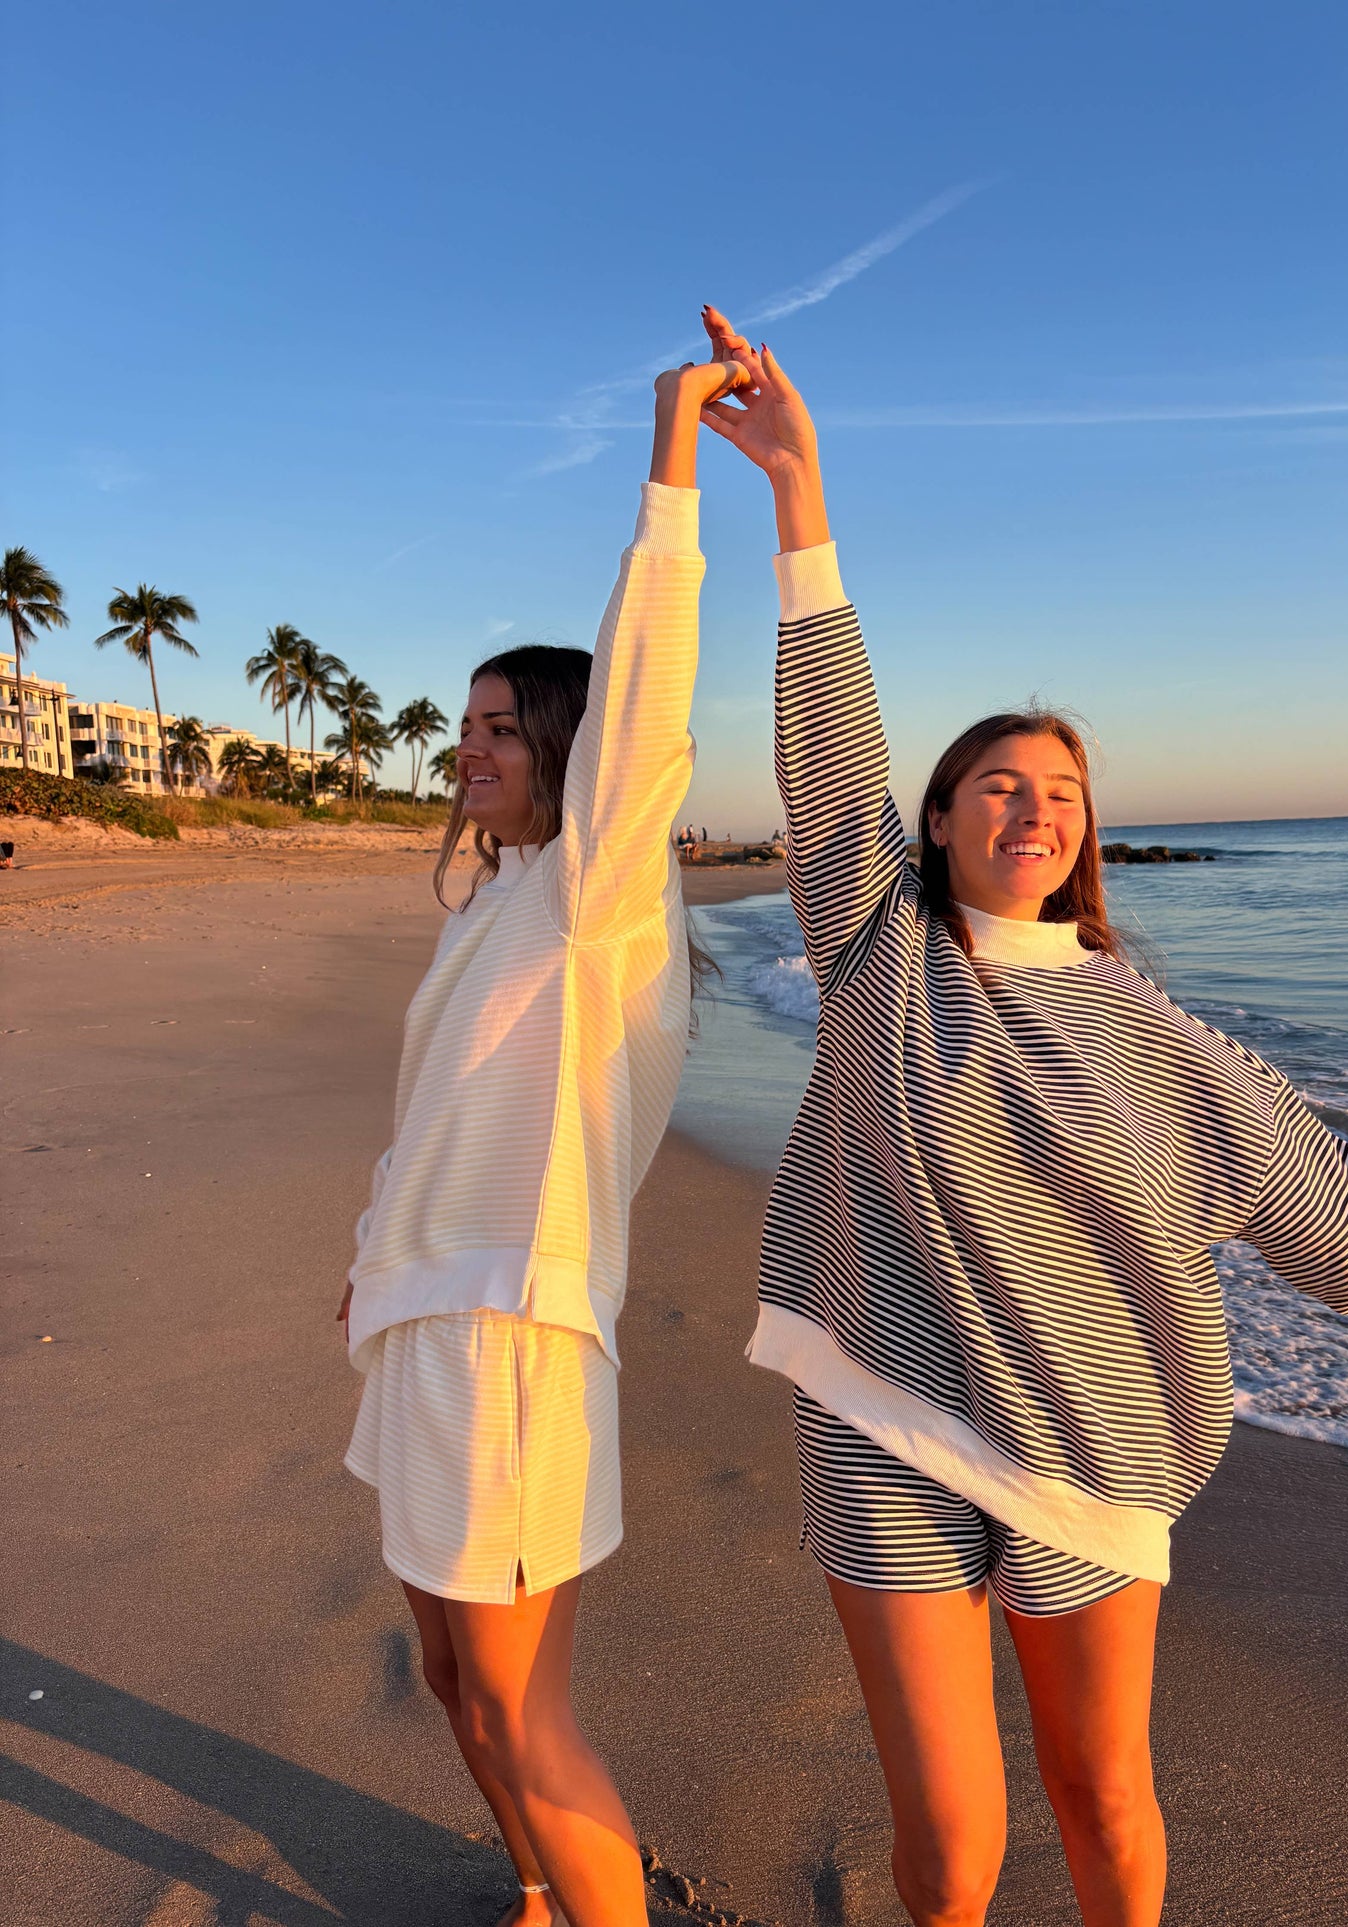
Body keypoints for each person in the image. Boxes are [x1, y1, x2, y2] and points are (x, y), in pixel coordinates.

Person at [698, 308, 1348, 1927]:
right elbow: (827, 770)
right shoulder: (875, 954)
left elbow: (1318, 1190)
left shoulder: (1150, 1032)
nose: (1031, 808)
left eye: (1060, 792)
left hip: (1086, 1440)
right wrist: (798, 503)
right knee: (948, 1842)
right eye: (997, 785)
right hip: (880, 1412)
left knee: (1103, 1794)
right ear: (939, 820)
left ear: (1086, 832)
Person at [338, 334, 741, 1927]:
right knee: (450, 1672)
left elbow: (647, 689)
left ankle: (600, 1901)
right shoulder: (490, 910)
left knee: (521, 1704)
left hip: (511, 1329)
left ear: (573, 749)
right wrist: (370, 1270)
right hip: (423, 1318)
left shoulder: (590, 899)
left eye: (506, 724)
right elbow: (426, 1118)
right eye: (467, 725)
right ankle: (532, 1885)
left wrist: (673, 455)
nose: (472, 746)